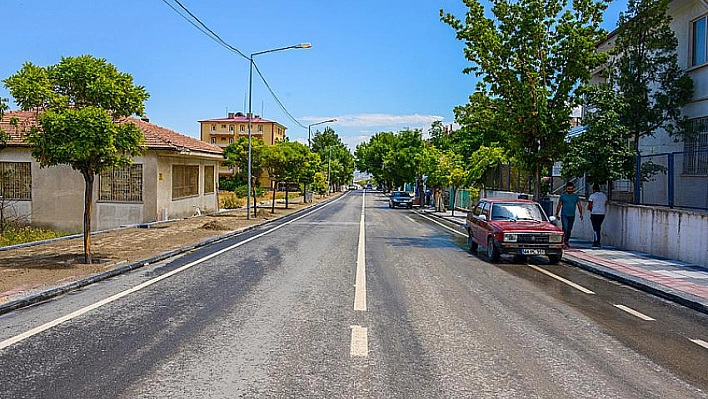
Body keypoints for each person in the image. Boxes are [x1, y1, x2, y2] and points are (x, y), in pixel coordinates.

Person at [555, 182, 583, 248]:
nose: (570, 190)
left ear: (573, 189)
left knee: (569, 229)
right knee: (565, 228)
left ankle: (566, 240)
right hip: (564, 215)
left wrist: (581, 213)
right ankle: (564, 242)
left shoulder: (575, 196)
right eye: (568, 189)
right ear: (566, 189)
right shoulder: (563, 196)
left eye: (571, 189)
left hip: (572, 215)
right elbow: (559, 205)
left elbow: (579, 205)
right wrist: (557, 213)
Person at [587, 183, 608, 248]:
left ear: (593, 189)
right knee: (598, 227)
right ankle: (597, 240)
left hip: (594, 213)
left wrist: (590, 209)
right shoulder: (604, 196)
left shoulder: (592, 196)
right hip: (602, 213)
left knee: (595, 228)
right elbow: (605, 203)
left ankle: (596, 241)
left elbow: (590, 205)